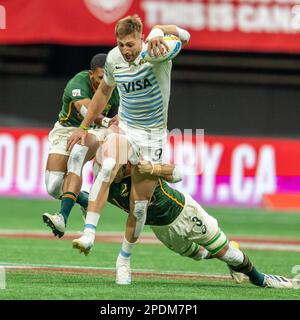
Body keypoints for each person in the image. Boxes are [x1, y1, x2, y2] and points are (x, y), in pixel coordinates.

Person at [67, 15, 191, 285]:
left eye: (130, 44)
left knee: (139, 207)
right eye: (121, 44)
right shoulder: (113, 59)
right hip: (126, 128)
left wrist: (161, 29)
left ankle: (124, 259)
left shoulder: (159, 49)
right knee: (109, 164)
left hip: (153, 137)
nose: (126, 50)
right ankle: (89, 232)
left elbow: (185, 35)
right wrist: (84, 127)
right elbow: (103, 93)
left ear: (142, 38)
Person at [73, 160, 294, 289]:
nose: (124, 168)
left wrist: (154, 169)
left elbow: (177, 174)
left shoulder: (141, 167)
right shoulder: (106, 186)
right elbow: (90, 199)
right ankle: (224, 255)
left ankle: (260, 279)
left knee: (230, 256)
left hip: (185, 213)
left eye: (123, 165)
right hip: (161, 229)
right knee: (198, 255)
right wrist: (68, 197)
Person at [43, 53, 119, 238]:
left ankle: (62, 218)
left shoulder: (115, 87)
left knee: (77, 157)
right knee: (53, 187)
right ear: (91, 74)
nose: (105, 83)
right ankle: (86, 200)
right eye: (101, 78)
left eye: (108, 77)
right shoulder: (78, 83)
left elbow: (118, 115)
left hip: (95, 131)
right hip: (67, 130)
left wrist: (116, 121)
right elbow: (86, 109)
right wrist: (108, 122)